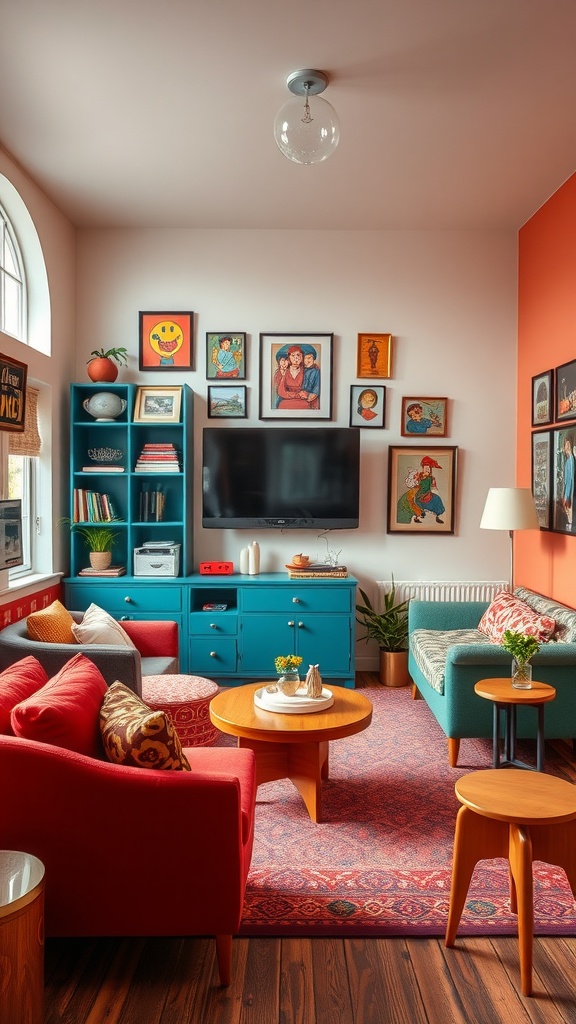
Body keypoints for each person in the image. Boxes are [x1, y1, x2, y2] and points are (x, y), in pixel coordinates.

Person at [413, 456, 445, 523]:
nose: (427, 470)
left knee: (437, 499)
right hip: (419, 495)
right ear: (423, 468)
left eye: (429, 468)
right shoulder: (419, 476)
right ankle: (417, 517)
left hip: (428, 494)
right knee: (416, 502)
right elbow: (414, 484)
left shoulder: (432, 478)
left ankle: (438, 517)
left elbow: (434, 487)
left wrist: (436, 492)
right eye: (426, 468)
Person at [561, 434, 575, 530]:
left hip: (569, 492)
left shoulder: (570, 460)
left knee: (569, 515)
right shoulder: (568, 459)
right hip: (567, 490)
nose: (567, 447)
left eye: (568, 445)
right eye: (566, 445)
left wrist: (566, 496)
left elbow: (570, 479)